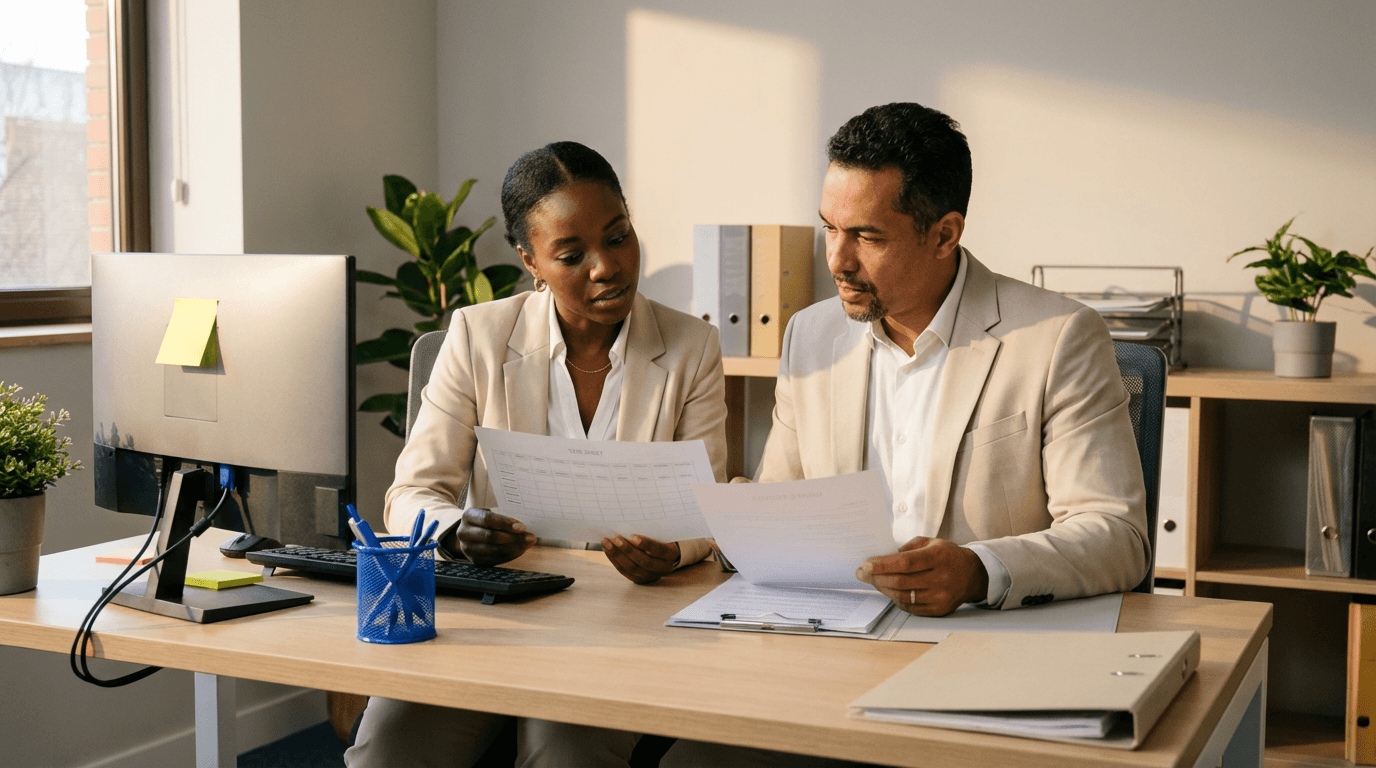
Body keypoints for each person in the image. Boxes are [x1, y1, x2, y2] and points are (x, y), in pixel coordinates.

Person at [662, 103, 1150, 767]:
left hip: (984, 658)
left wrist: (978, 570)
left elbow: (1117, 537)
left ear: (944, 234)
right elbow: (782, 498)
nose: (836, 259)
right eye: (828, 228)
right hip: (822, 656)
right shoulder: (812, 335)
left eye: (867, 235)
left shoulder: (1059, 338)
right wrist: (720, 530)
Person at [346, 141, 728, 768]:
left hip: (624, 618)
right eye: (572, 255)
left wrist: (671, 550)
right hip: (499, 612)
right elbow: (411, 495)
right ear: (531, 262)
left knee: (566, 752)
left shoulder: (690, 346)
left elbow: (708, 508)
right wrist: (455, 531)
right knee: (388, 749)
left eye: (620, 237)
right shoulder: (478, 336)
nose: (606, 267)